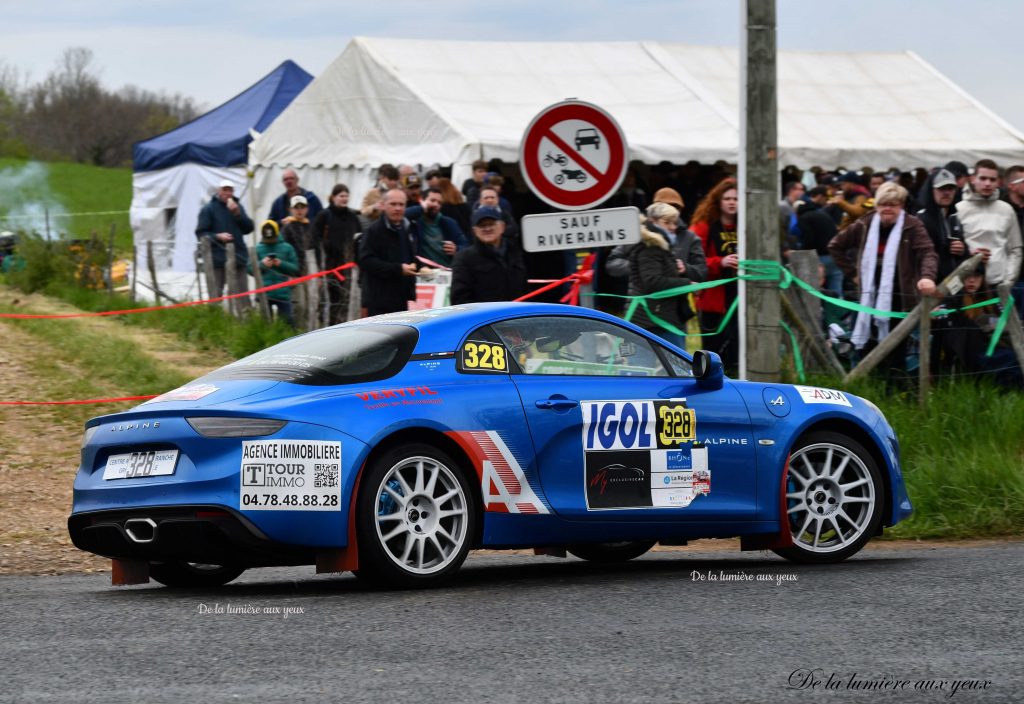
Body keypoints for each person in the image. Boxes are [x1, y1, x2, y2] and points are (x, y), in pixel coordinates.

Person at [828, 182, 938, 376]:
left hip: (900, 298)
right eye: (883, 204)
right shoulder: (865, 223)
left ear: (901, 206)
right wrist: (853, 274)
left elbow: (928, 252)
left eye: (893, 204)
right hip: (869, 297)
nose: (887, 209)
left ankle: (893, 390)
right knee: (867, 346)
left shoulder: (912, 225)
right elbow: (835, 246)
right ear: (877, 205)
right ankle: (867, 388)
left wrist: (927, 277)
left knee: (897, 349)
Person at [624, 202, 703, 348]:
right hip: (652, 320)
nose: (673, 227)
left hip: (659, 317)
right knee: (673, 366)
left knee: (664, 367)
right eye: (667, 223)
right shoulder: (650, 247)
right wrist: (687, 285)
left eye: (674, 223)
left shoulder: (660, 246)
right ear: (653, 222)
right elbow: (653, 281)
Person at [956, 159, 1023, 304]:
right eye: (983, 178)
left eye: (992, 179)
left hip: (998, 287)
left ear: (998, 182)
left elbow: (1016, 249)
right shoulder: (959, 209)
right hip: (966, 287)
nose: (987, 183)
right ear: (973, 179)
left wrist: (1007, 281)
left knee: (1003, 327)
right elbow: (952, 249)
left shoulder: (1006, 210)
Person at [691, 178, 741, 368]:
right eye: (727, 198)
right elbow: (694, 260)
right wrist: (719, 262)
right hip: (713, 293)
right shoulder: (704, 226)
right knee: (714, 340)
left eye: (736, 199)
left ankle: (736, 370)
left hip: (739, 290)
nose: (731, 202)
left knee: (737, 335)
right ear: (718, 201)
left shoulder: (745, 224)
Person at [358, 189, 419, 315]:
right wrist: (398, 269)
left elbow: (408, 257)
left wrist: (421, 267)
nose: (397, 208)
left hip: (402, 298)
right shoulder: (373, 231)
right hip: (379, 300)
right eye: (393, 204)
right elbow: (366, 261)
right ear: (383, 205)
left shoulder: (406, 228)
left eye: (401, 204)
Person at [195, 179, 254, 308]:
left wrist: (238, 214)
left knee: (242, 295)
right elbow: (201, 233)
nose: (227, 193)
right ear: (218, 191)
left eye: (230, 190)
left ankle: (245, 321)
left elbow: (249, 228)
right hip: (217, 258)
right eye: (224, 190)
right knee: (216, 295)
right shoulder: (208, 209)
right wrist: (217, 236)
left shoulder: (238, 207)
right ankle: (215, 321)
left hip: (238, 256)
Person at [450, 206, 527, 304]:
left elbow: (525, 287)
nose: (487, 228)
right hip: (488, 318)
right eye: (481, 225)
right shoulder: (464, 258)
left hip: (517, 314)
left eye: (491, 224)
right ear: (474, 231)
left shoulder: (516, 252)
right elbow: (459, 299)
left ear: (502, 227)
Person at [312, 184, 362, 324]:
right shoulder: (324, 215)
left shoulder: (352, 216)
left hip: (347, 265)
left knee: (344, 300)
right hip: (329, 264)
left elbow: (359, 237)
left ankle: (342, 325)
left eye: (346, 196)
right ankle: (325, 326)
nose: (344, 199)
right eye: (341, 196)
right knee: (328, 299)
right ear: (333, 197)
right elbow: (315, 238)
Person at [915, 169, 967, 281]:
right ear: (931, 190)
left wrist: (963, 249)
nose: (947, 193)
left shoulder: (955, 217)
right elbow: (918, 255)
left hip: (954, 286)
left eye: (950, 188)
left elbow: (962, 251)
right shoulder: (921, 218)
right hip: (931, 285)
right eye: (941, 188)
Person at [248, 220, 299, 327]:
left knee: (287, 323)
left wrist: (281, 264)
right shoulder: (257, 249)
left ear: (277, 234)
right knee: (265, 325)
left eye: (272, 238)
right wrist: (262, 264)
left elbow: (295, 269)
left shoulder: (287, 247)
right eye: (267, 238)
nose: (270, 240)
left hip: (284, 293)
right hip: (264, 293)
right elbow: (249, 269)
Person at [281, 195, 320, 329]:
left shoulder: (311, 227)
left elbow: (317, 250)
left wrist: (318, 273)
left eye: (302, 207)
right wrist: (287, 272)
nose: (299, 210)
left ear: (307, 209)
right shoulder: (287, 228)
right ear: (291, 209)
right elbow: (284, 252)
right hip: (294, 272)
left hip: (310, 272)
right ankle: (296, 333)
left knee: (312, 304)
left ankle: (309, 332)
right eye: (296, 208)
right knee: (299, 305)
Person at [407, 187, 467, 267]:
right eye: (432, 200)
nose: (436, 205)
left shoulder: (449, 223)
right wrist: (422, 208)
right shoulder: (415, 220)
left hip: (446, 270)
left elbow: (465, 246)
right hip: (423, 271)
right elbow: (402, 216)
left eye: (439, 203)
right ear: (422, 200)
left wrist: (456, 249)